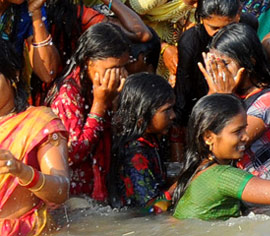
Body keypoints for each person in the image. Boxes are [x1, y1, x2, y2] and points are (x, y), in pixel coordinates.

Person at [47, 21, 130, 201]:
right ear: (88, 62)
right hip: (75, 199)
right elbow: (72, 154)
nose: (119, 76)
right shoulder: (68, 95)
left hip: (103, 186)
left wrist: (115, 104)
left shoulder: (104, 86)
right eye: (112, 70)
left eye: (123, 67)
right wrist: (99, 106)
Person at [202, 23, 270, 180]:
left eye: (225, 64)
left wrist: (224, 97)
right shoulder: (223, 91)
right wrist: (213, 94)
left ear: (250, 61)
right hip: (224, 179)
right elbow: (200, 141)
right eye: (215, 64)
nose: (219, 71)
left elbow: (232, 142)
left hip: (259, 186)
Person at [0, 70, 70, 235]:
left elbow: (61, 191)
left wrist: (22, 171)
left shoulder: (39, 122)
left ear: (14, 75)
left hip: (23, 231)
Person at [107, 72, 174, 209]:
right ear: (142, 117)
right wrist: (185, 182)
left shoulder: (149, 141)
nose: (173, 115)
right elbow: (151, 208)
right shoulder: (135, 154)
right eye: (166, 110)